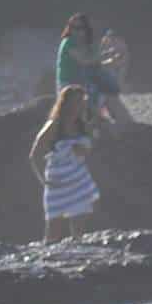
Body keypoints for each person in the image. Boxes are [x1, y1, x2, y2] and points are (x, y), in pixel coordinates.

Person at [30, 84, 99, 243]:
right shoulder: (54, 125)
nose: (78, 107)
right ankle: (46, 257)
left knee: (79, 225)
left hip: (78, 179)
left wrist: (81, 149)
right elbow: (34, 154)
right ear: (65, 103)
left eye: (82, 102)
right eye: (75, 103)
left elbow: (88, 152)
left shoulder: (83, 126)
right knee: (53, 227)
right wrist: (43, 180)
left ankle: (78, 256)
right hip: (57, 181)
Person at [56, 13, 134, 127]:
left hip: (83, 80)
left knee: (107, 89)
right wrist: (105, 53)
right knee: (101, 92)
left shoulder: (83, 43)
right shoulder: (69, 42)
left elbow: (95, 63)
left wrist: (111, 59)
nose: (76, 31)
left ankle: (125, 122)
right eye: (73, 27)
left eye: (80, 28)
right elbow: (85, 61)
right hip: (69, 83)